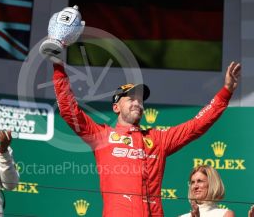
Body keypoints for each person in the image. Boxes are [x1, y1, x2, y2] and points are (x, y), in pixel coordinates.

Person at [51, 60, 240, 217]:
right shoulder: (102, 136)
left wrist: (225, 92)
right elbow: (69, 109)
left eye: (140, 100)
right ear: (116, 107)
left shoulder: (158, 139)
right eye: (131, 99)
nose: (137, 103)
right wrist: (58, 67)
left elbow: (196, 125)